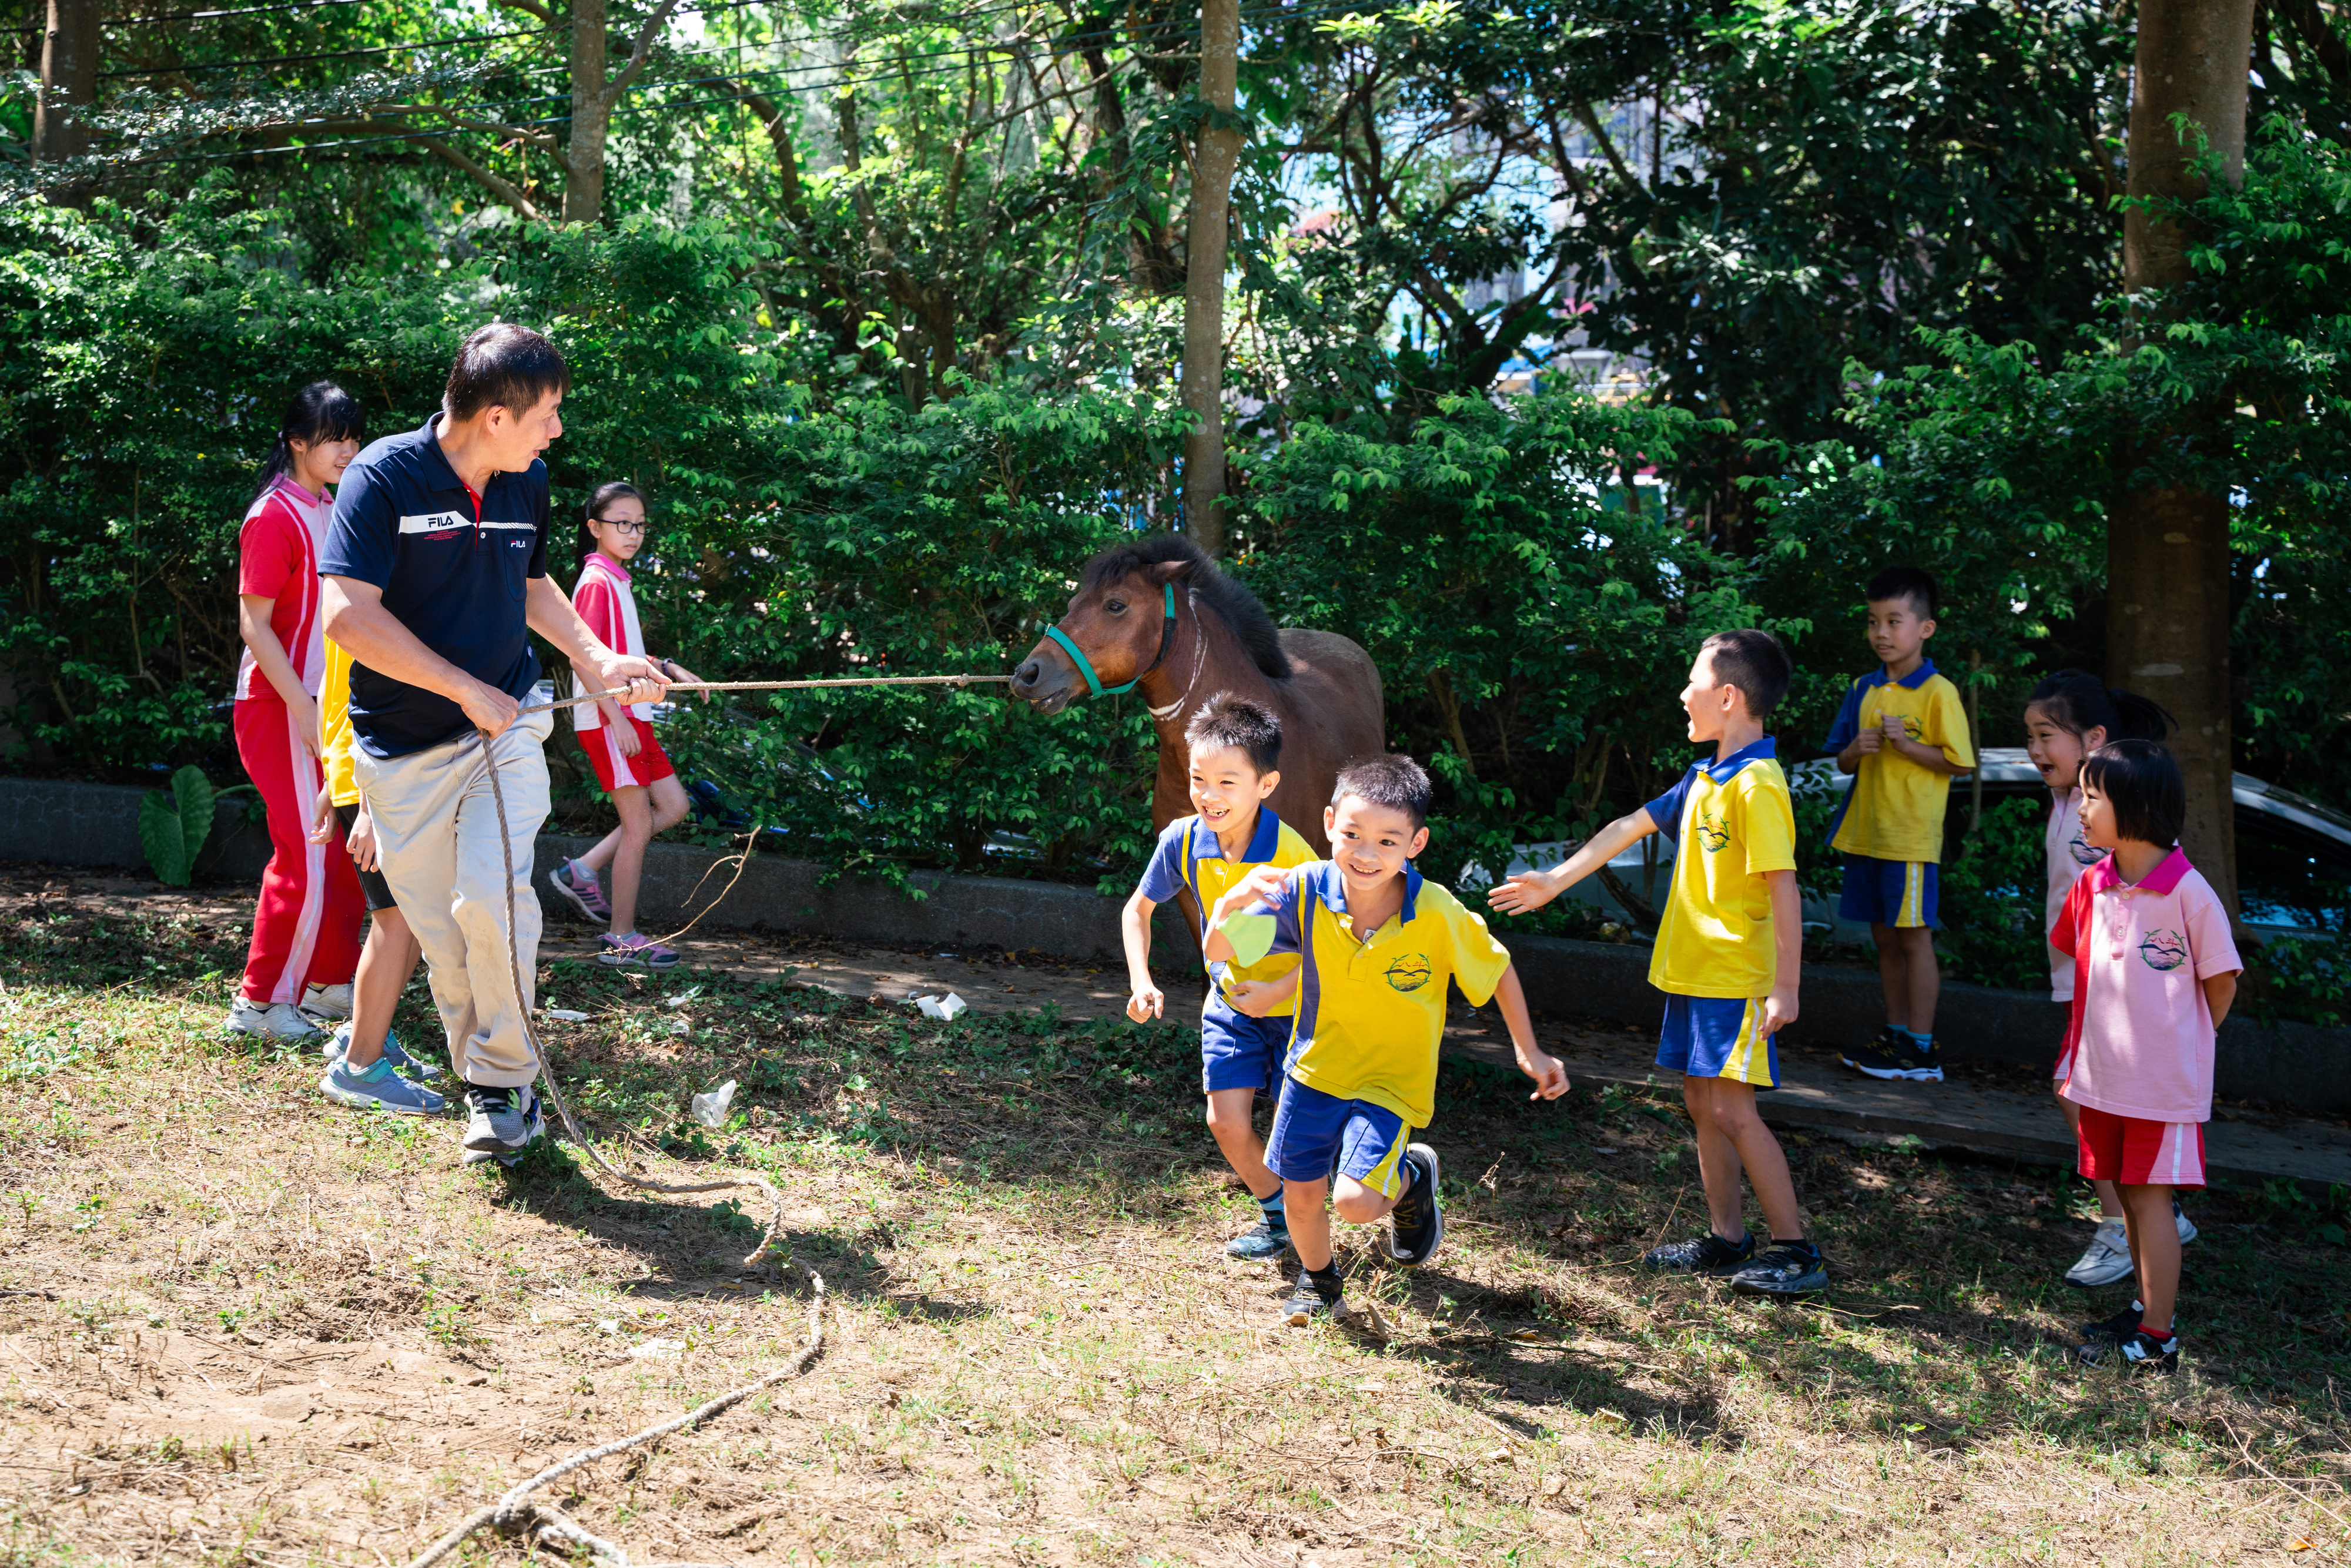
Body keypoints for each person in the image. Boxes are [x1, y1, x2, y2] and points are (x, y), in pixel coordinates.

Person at [319, 323, 669, 1167]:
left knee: (493, 900)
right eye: (548, 413)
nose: (556, 431)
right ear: (496, 418)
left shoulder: (527, 481)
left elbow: (531, 583)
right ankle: (492, 1087)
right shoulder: (384, 477)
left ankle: (503, 1085)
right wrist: (457, 686)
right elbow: (347, 616)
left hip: (508, 726)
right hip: (402, 752)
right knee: (443, 938)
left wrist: (598, 659)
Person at [1491, 629, 1827, 1298]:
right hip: (1694, 975)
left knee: (1734, 1110)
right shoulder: (1706, 776)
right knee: (1702, 1103)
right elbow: (1627, 825)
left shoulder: (1757, 784)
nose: (1683, 693)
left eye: (1693, 680)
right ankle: (1728, 1239)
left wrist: (1785, 985)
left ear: (1728, 697)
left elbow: (1781, 884)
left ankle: (1797, 1252)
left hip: (1736, 979)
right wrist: (1552, 881)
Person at [1207, 754, 1569, 1326]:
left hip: (1390, 1083)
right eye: (1351, 834)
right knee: (1299, 1195)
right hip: (1313, 1070)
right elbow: (1221, 950)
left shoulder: (1436, 912)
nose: (1365, 853)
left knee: (1352, 1202)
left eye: (1386, 840)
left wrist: (1529, 1049)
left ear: (1416, 843)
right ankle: (1321, 1286)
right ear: (1329, 824)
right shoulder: (1303, 891)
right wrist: (1236, 898)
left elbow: (1495, 968)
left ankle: (1411, 1179)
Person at [2054, 739, 2240, 1375]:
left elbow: (2221, 984)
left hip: (2160, 1089)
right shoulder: (2091, 885)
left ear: (2135, 806)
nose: (2079, 807)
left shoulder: (2190, 893)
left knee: (2153, 1200)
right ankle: (2142, 1309)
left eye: (2092, 795)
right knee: (2130, 1199)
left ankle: (2158, 1338)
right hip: (2100, 1080)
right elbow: (2079, 974)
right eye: (2080, 792)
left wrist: (2178, 1042)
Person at [1121, 693, 1319, 1262]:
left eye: (1226, 783)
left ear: (1265, 785)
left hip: (1299, 1007)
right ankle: (1280, 1217)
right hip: (1230, 1003)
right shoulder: (1183, 841)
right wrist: (1142, 979)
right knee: (1224, 1121)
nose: (1208, 796)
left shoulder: (1293, 860)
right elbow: (1137, 910)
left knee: (1300, 1141)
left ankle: (1398, 1182)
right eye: (1199, 779)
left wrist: (1277, 993)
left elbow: (1330, 953)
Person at [2022, 672, 2199, 1288]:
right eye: (2030, 736)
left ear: (2094, 739)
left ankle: (2123, 1223)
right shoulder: (2068, 800)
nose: (2035, 749)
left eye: (2047, 735)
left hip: (2112, 989)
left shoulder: (2118, 813)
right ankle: (2147, 1213)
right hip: (2078, 978)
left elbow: (2158, 888)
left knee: (2076, 1094)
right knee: (2078, 1095)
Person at [227, 382, 370, 1041]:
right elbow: (254, 626)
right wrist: (305, 708)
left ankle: (325, 986)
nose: (348, 449)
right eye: (334, 436)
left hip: (328, 710)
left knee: (345, 851)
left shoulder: (333, 507)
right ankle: (260, 1003)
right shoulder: (272, 515)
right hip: (278, 707)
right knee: (305, 853)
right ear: (297, 442)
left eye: (353, 435)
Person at [543, 482, 709, 968]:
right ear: (594, 528)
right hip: (610, 719)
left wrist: (670, 666)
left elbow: (617, 652)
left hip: (632, 717)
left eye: (638, 524)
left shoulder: (616, 578)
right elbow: (582, 657)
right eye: (621, 523)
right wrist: (615, 718)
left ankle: (584, 868)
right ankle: (622, 938)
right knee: (638, 825)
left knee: (674, 807)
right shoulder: (596, 581)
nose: (632, 533)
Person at [1822, 566, 1975, 1083]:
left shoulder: (1938, 692)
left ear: (1925, 629)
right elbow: (1842, 761)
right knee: (1884, 940)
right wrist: (1854, 749)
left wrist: (1906, 746)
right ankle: (1894, 1033)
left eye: (1894, 621)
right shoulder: (1862, 688)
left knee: (1914, 939)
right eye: (1873, 622)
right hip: (1866, 835)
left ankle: (1922, 1047)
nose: (1881, 633)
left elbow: (1960, 761)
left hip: (1910, 840)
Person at [304, 635, 443, 1113]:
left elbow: (333, 689)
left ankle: (367, 1036)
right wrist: (364, 799)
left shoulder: (351, 583)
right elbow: (375, 698)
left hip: (362, 773)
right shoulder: (377, 585)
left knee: (407, 918)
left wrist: (332, 776)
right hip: (376, 778)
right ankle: (358, 1065)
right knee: (396, 919)